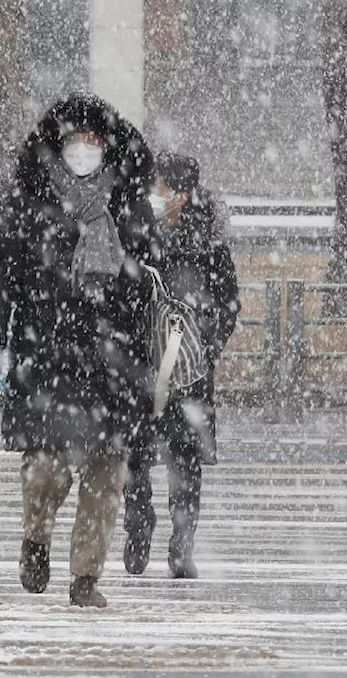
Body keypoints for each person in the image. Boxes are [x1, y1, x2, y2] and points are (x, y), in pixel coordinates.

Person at [0, 91, 159, 608]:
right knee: (46, 469)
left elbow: (155, 276)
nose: (84, 148)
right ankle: (35, 540)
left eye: (94, 140)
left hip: (113, 359)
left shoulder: (128, 205)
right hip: (47, 355)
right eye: (74, 139)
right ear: (58, 146)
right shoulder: (29, 203)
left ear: (109, 145)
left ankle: (85, 577)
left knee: (105, 473)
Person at [123, 151, 239, 579]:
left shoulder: (208, 242)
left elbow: (228, 302)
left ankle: (181, 544)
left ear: (181, 194)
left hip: (188, 373)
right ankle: (138, 527)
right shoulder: (138, 234)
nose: (155, 195)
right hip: (143, 368)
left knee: (184, 458)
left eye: (161, 188)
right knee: (135, 455)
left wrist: (204, 347)